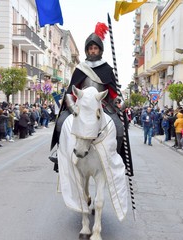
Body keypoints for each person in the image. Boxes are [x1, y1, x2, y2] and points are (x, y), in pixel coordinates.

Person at [50, 23, 133, 176]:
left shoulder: (107, 69)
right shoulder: (81, 68)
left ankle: (117, 156)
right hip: (81, 104)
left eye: (95, 48)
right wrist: (72, 106)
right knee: (61, 121)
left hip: (102, 104)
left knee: (119, 126)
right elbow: (70, 91)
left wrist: (119, 101)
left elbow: (113, 92)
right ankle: (60, 154)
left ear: (100, 50)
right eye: (90, 48)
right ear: (87, 50)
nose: (92, 51)